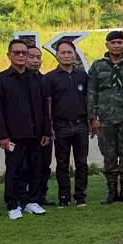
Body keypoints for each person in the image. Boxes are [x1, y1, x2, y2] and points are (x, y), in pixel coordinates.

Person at [0, 39, 51, 220]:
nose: (20, 55)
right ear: (9, 55)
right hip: (13, 135)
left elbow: (44, 108)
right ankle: (13, 204)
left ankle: (32, 201)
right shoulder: (1, 79)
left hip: (36, 134)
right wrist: (2, 136)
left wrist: (46, 131)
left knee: (36, 168)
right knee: (14, 170)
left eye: (24, 52)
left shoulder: (37, 78)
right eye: (16, 52)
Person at [88, 30, 123, 204]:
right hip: (105, 120)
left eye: (119, 42)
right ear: (107, 45)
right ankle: (111, 193)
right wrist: (92, 118)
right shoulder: (97, 66)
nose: (116, 45)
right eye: (113, 43)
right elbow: (91, 93)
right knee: (109, 157)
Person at [46, 38, 91, 207]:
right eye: (63, 52)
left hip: (80, 125)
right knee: (62, 164)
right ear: (57, 55)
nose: (66, 55)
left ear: (75, 55)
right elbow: (48, 103)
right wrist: (50, 125)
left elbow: (89, 100)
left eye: (69, 52)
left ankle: (80, 196)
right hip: (61, 126)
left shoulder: (83, 75)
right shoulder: (50, 77)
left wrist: (91, 120)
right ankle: (64, 197)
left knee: (82, 163)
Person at [27, 44, 53, 204]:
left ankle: (41, 195)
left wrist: (48, 131)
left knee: (44, 165)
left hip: (43, 132)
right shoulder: (14, 80)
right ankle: (24, 197)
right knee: (25, 167)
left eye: (38, 57)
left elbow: (47, 108)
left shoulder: (45, 80)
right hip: (24, 132)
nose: (35, 60)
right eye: (31, 57)